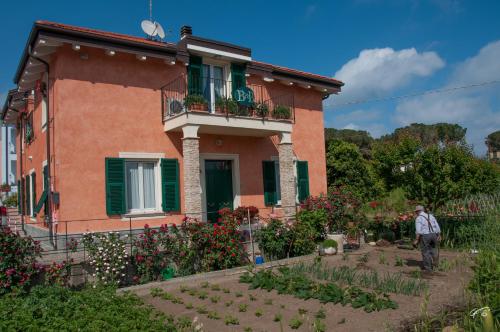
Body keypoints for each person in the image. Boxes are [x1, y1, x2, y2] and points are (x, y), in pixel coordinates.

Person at [412, 205, 441, 272]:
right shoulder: (431, 216)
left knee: (425, 252)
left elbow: (418, 231)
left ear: (418, 211)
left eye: (416, 211)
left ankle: (428, 269)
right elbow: (437, 226)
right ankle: (436, 266)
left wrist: (416, 240)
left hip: (425, 236)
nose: (415, 213)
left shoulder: (419, 218)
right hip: (434, 235)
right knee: (434, 250)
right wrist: (439, 235)